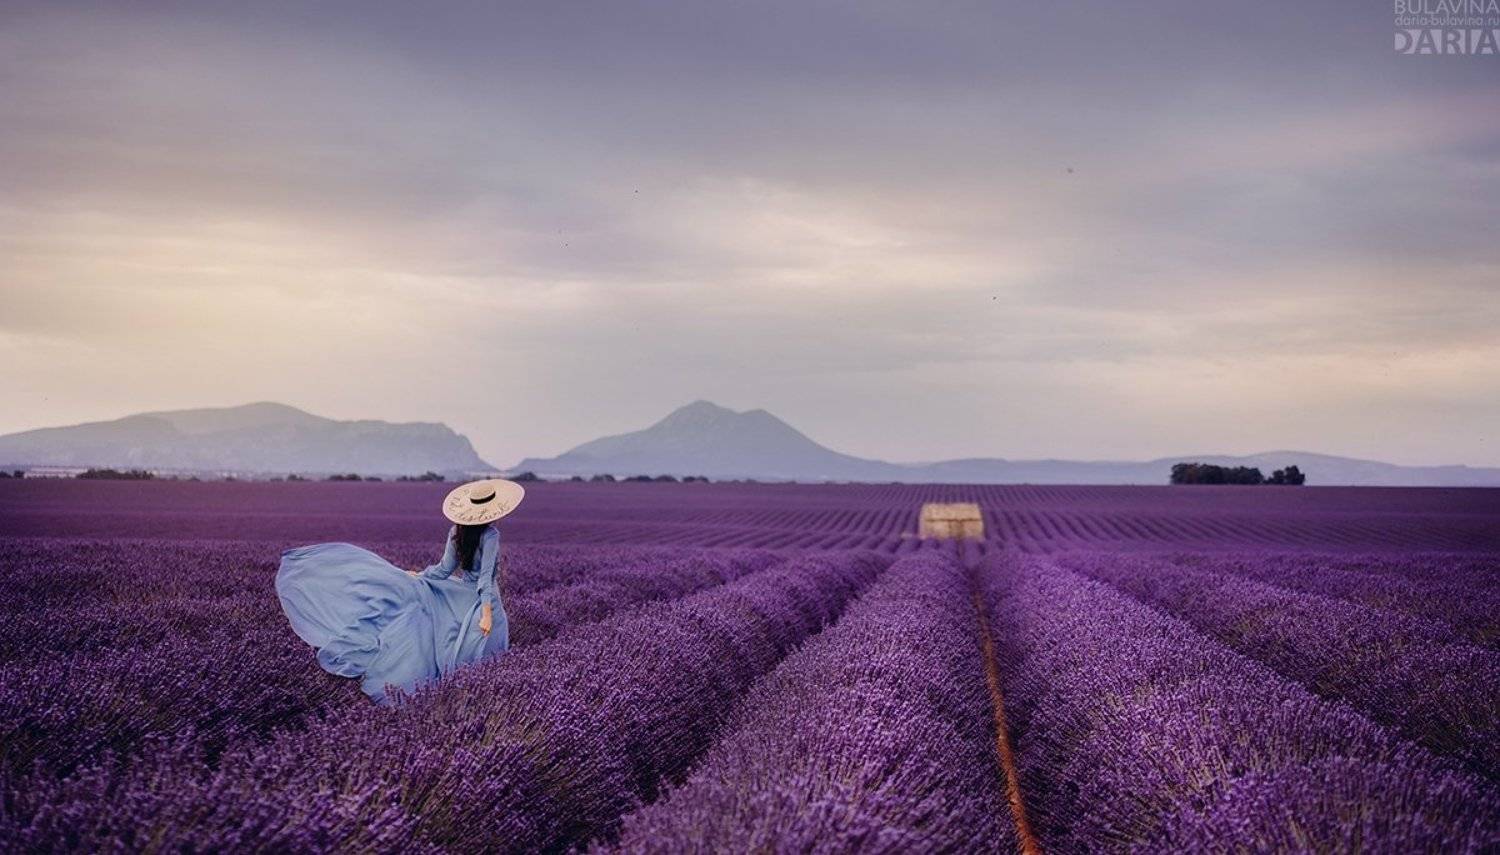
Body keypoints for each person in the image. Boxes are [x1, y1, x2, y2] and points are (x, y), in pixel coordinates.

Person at [275, 478, 524, 705]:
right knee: (479, 650)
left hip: (458, 593)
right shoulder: (491, 535)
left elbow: (444, 569)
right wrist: (487, 612)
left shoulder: (456, 532)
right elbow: (485, 579)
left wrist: (421, 577)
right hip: (479, 598)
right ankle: (470, 697)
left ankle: (454, 692)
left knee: (436, 632)